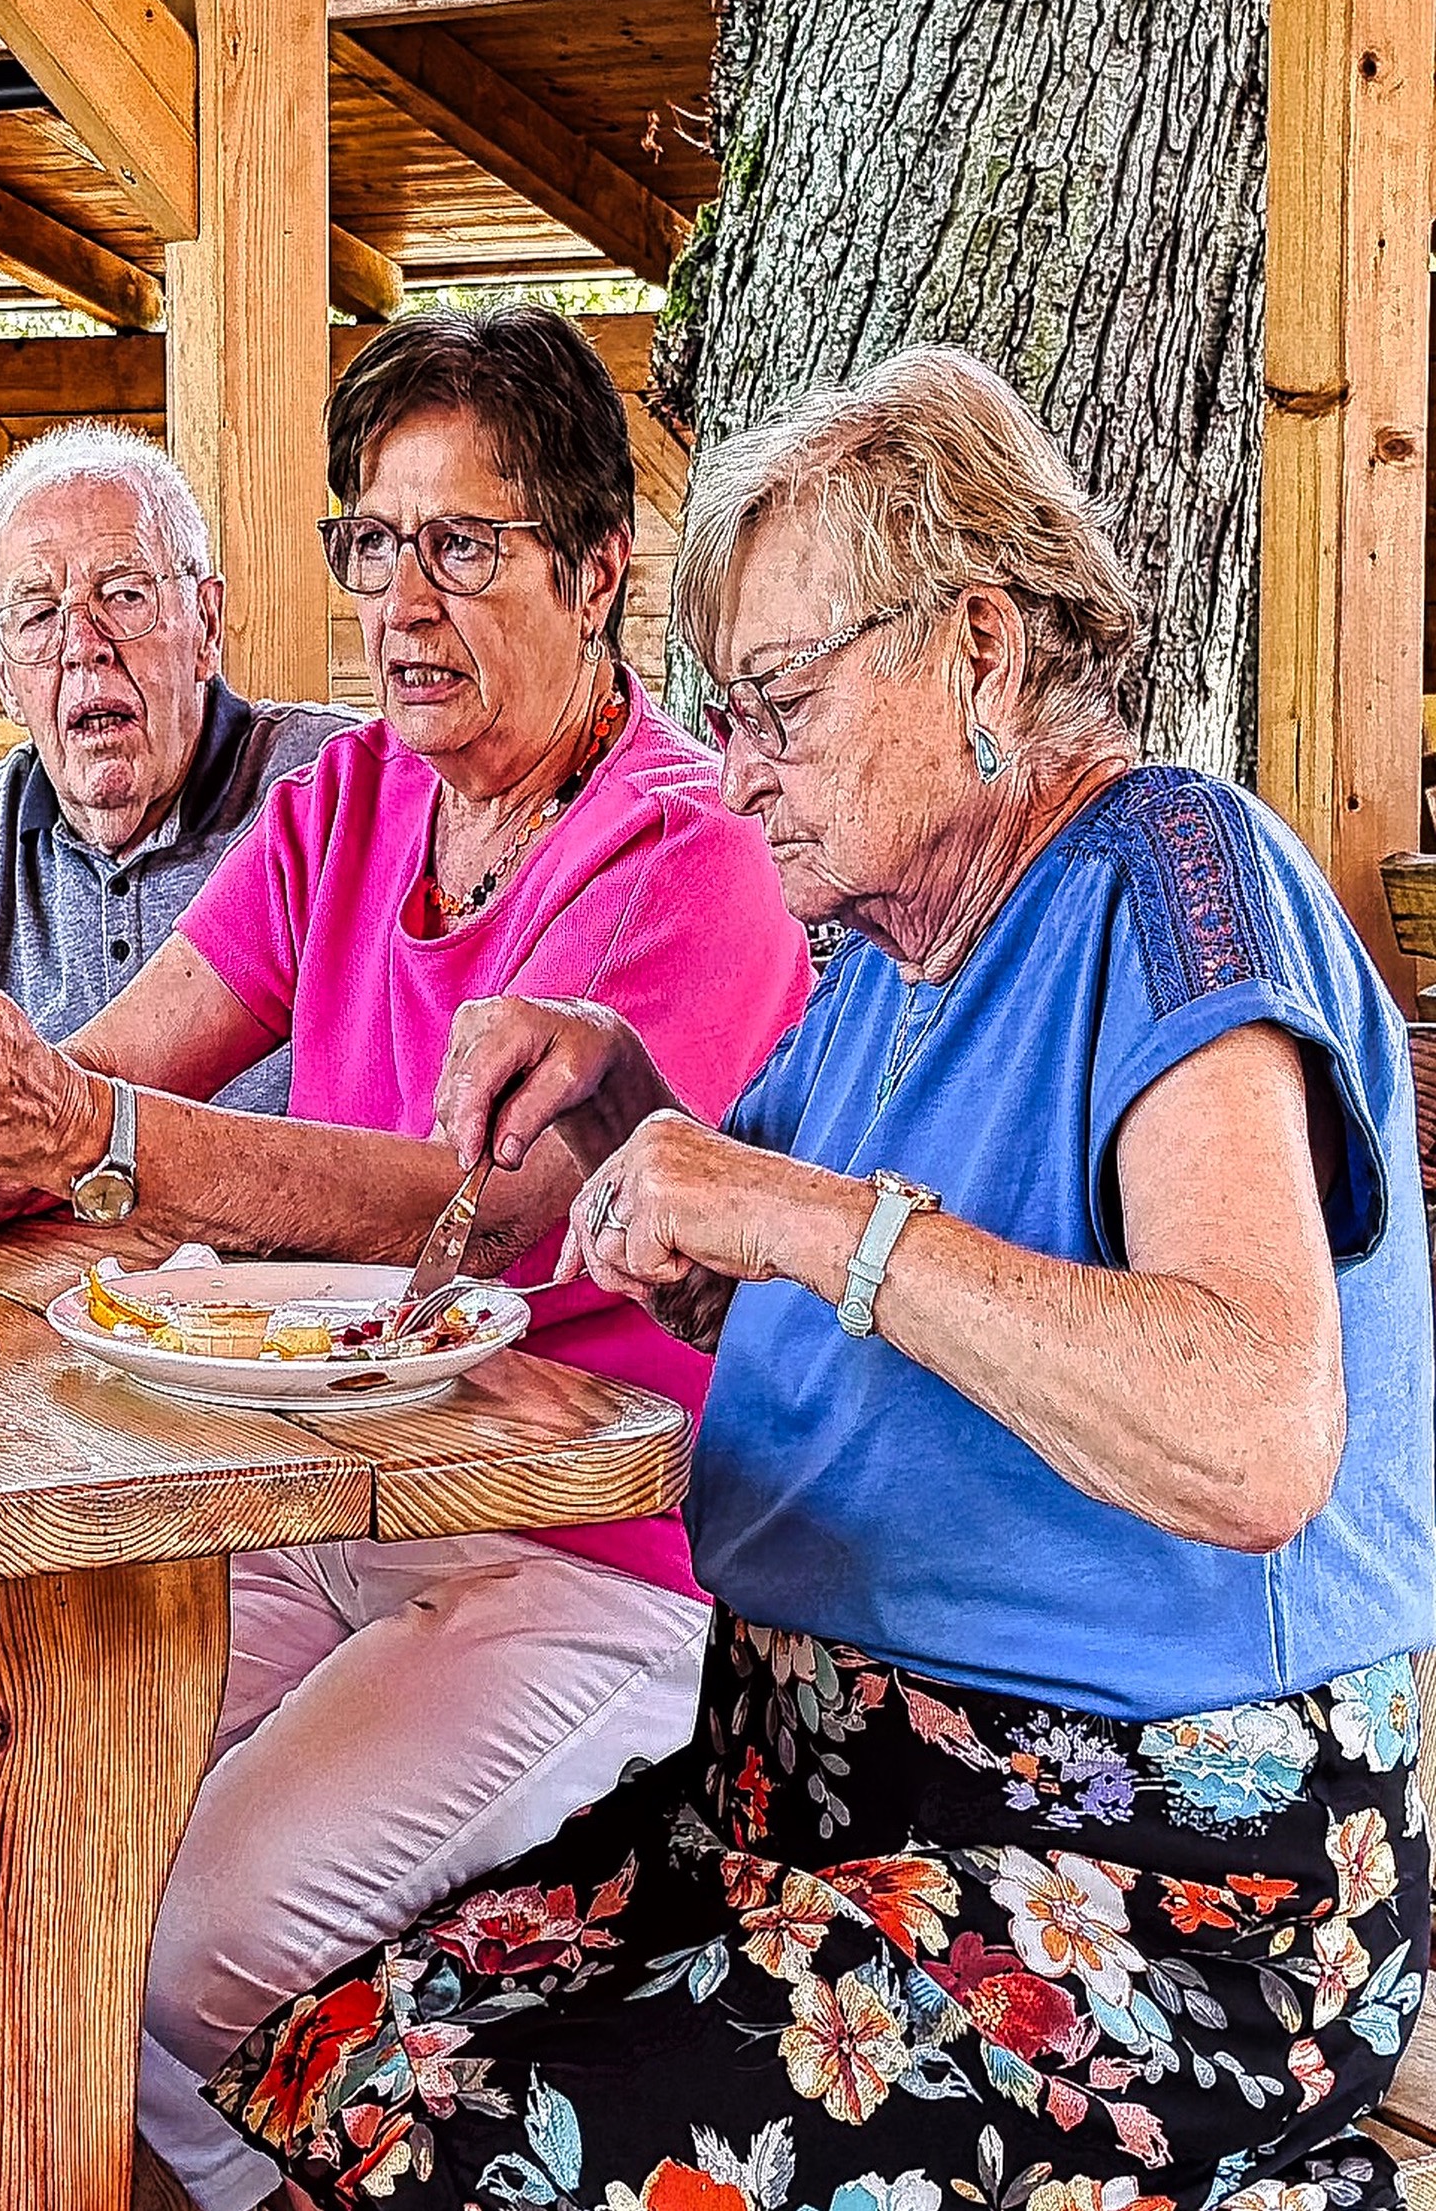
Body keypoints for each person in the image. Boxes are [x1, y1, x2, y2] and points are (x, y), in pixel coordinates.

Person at [214, 346, 1431, 2211]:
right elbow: (786, 1292)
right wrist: (645, 1126)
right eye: (725, 710)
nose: (739, 768)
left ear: (983, 654)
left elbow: (1252, 1425)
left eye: (780, 699)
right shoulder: (877, 952)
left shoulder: (1172, 880)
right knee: (348, 2049)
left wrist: (800, 1214)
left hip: (1140, 1872)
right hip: (800, 1803)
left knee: (492, 2153)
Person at [0, 304, 815, 2211]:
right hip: (304, 1497)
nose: (403, 600)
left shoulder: (687, 850)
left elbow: (486, 1197)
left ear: (603, 574)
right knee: (5, 1859)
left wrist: (86, 1140)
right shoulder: (343, 803)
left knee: (173, 1954)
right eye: (372, 541)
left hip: (585, 1547)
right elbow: (119, 1064)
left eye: (464, 543)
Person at [0, 422, 349, 1103]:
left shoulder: (331, 795)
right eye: (39, 614)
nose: (82, 645)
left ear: (207, 625)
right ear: (1, 676)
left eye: (125, 594)